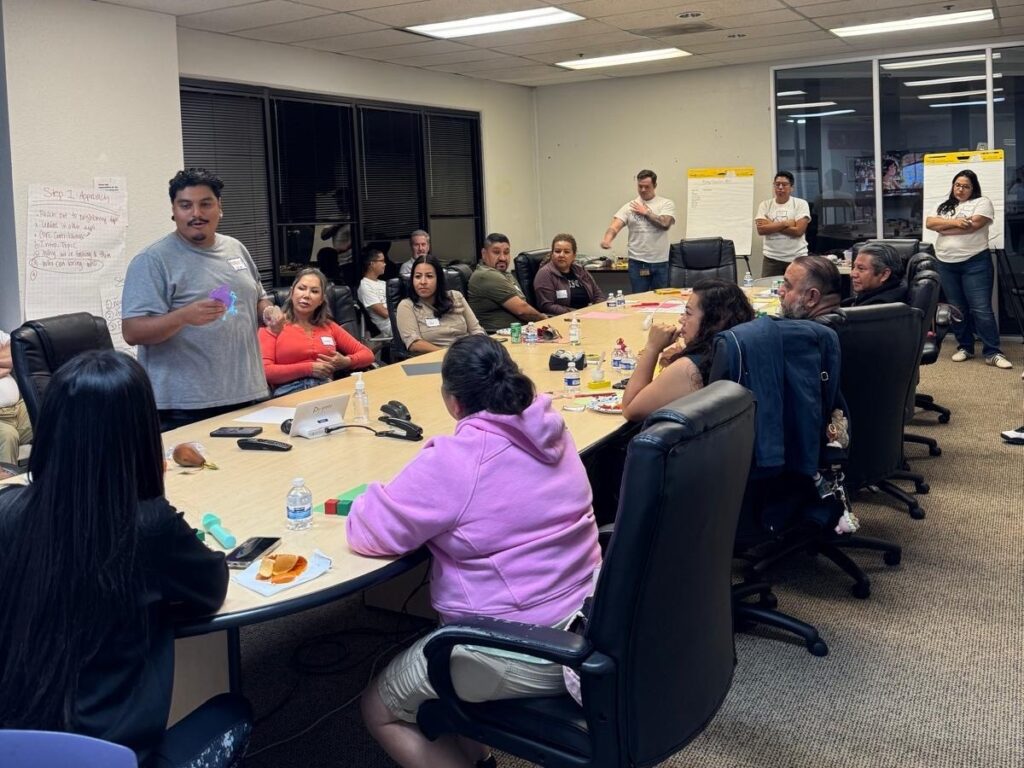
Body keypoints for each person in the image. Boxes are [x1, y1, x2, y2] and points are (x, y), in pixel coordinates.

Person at [348, 334, 600, 768]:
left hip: (524, 645)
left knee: (380, 708)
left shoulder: (458, 460)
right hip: (592, 621)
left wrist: (381, 488)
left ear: (452, 401)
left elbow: (370, 531)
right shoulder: (552, 428)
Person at [0, 350, 251, 767]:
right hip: (109, 755)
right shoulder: (147, 524)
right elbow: (211, 588)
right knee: (233, 712)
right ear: (139, 434)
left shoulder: (8, 510)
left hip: (13, 749)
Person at [122, 168, 285, 431]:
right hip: (183, 407)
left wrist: (267, 312)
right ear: (174, 211)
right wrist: (183, 316)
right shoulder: (153, 261)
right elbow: (132, 331)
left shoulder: (235, 248)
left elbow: (257, 299)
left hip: (248, 393)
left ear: (219, 207)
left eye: (205, 204)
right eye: (185, 205)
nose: (196, 213)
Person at [622, 279, 754, 422]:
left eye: (688, 313)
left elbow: (630, 410)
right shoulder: (737, 345)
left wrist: (652, 348)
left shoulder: (689, 368)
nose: (681, 320)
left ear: (715, 320)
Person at [925, 169, 1012, 369]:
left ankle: (992, 352)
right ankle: (965, 347)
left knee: (981, 309)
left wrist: (943, 227)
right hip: (946, 263)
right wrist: (956, 222)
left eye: (966, 186)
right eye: (957, 185)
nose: (961, 189)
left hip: (975, 262)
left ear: (973, 188)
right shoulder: (944, 205)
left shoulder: (982, 202)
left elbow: (974, 225)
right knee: (957, 309)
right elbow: (930, 223)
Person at [259, 267, 374, 396]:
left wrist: (346, 362)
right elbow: (265, 372)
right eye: (301, 288)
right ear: (291, 293)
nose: (306, 295)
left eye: (314, 291)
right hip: (289, 393)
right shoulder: (274, 325)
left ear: (321, 300)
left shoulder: (329, 326)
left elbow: (368, 355)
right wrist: (309, 369)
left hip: (327, 389)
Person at [600, 169, 676, 292]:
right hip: (638, 262)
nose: (643, 190)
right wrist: (607, 240)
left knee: (661, 299)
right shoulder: (629, 206)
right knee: (639, 300)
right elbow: (614, 226)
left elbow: (665, 224)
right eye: (640, 186)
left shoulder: (665, 203)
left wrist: (646, 212)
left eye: (647, 187)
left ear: (655, 186)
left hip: (661, 262)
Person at [396, 255, 485, 355]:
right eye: (417, 276)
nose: (423, 282)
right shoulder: (407, 306)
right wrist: (449, 354)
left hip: (469, 354)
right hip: (433, 360)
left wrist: (481, 347)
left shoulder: (456, 297)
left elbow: (476, 330)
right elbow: (414, 344)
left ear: (439, 279)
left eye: (429, 276)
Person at [467, 233, 546, 333]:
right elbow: (522, 310)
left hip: (518, 333)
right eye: (496, 252)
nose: (502, 258)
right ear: (484, 253)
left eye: (506, 252)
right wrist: (546, 320)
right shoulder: (486, 275)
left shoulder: (505, 274)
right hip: (497, 338)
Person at [756, 171, 811, 278]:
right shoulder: (765, 205)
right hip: (771, 258)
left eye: (784, 184)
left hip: (797, 257)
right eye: (777, 184)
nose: (780, 187)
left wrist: (771, 224)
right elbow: (761, 230)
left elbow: (799, 231)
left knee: (798, 290)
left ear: (791, 188)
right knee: (767, 290)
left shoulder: (801, 204)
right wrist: (786, 223)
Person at [532, 233, 603, 315]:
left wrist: (597, 310)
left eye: (566, 252)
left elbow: (598, 295)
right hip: (564, 319)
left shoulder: (580, 270)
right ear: (552, 254)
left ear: (574, 256)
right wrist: (578, 313)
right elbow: (547, 305)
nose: (561, 255)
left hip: (588, 316)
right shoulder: (545, 274)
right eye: (557, 251)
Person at [0, 330, 31, 467]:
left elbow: (16, 352)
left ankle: (52, 482)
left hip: (19, 408)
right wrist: (4, 362)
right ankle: (8, 487)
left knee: (48, 419)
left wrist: (10, 361)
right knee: (8, 436)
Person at [778, 255, 842, 320]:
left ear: (812, 297)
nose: (780, 291)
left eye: (787, 286)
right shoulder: (849, 323)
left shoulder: (799, 329)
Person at [358, 248, 392, 338]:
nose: (385, 264)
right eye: (382, 261)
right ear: (372, 264)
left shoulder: (383, 283)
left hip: (398, 320)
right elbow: (384, 313)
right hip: (389, 326)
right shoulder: (365, 286)